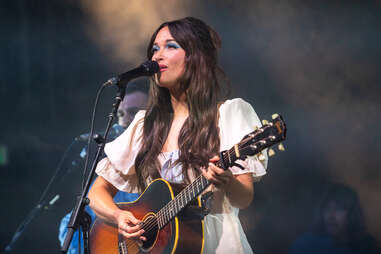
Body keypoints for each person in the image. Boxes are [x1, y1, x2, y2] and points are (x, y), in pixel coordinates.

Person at [88, 17, 268, 254]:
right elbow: (96, 192)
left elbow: (243, 198)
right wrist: (118, 215)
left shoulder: (229, 114)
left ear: (196, 57)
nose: (157, 56)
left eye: (170, 46)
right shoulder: (145, 125)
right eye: (154, 49)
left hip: (216, 244)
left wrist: (227, 181)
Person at [58, 79, 149, 254]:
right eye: (121, 115)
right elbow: (70, 227)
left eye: (134, 112)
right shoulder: (120, 168)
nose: (124, 121)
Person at [290, 183, 380, 254]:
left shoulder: (367, 247)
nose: (331, 215)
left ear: (351, 214)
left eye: (339, 209)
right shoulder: (306, 245)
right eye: (327, 208)